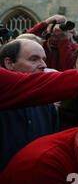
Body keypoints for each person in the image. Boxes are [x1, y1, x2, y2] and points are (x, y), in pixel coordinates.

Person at [0, 39, 59, 172]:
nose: (43, 65)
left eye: (44, 59)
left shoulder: (45, 102)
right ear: (9, 63)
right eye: (34, 59)